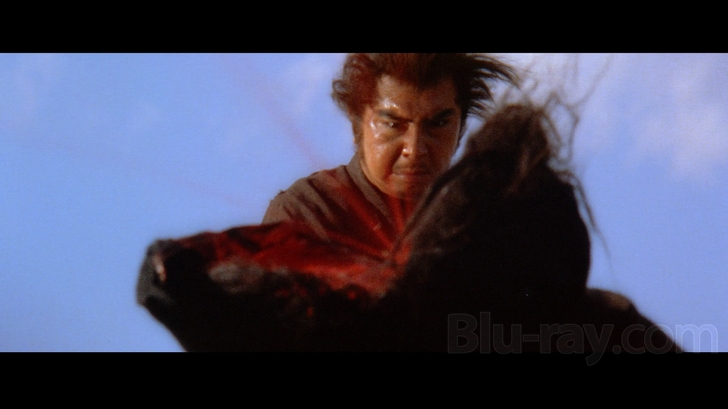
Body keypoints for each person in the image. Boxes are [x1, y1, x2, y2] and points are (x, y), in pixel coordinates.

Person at [262, 53, 516, 255]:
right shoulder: (307, 212)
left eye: (438, 124)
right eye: (393, 124)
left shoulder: (485, 220)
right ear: (357, 125)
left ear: (460, 127)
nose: (414, 150)